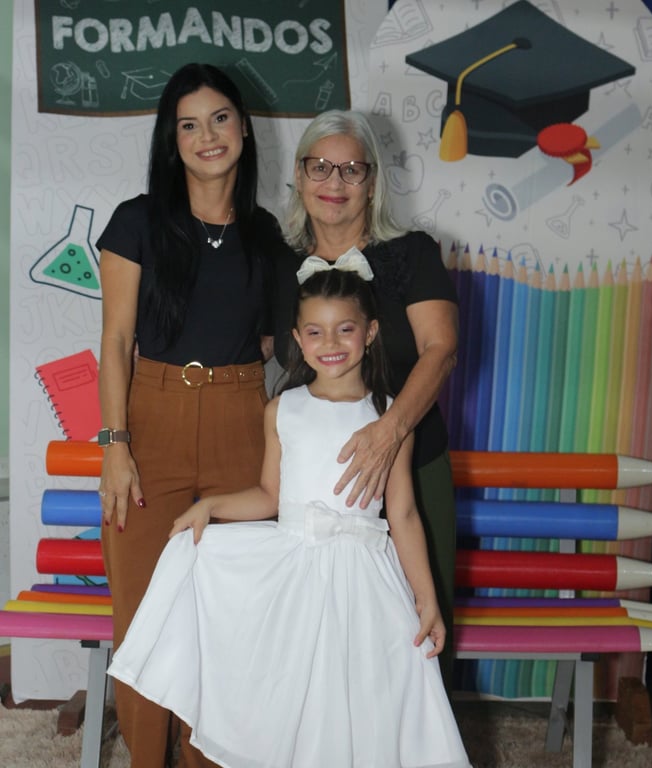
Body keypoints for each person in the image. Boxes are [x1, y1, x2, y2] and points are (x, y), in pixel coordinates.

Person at [107, 263, 471, 768]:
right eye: (315, 332)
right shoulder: (284, 409)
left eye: (345, 329)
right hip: (296, 575)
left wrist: (426, 598)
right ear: (297, 339)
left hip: (367, 581)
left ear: (370, 332)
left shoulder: (390, 419)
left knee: (367, 698)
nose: (331, 343)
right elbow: (269, 496)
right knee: (294, 700)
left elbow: (404, 513)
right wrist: (210, 506)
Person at [97, 63, 288, 768]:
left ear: (244, 128)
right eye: (188, 124)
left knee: (230, 623)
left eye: (219, 118)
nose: (207, 136)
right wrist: (115, 446)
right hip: (151, 426)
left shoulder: (267, 234)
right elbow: (116, 340)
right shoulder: (137, 222)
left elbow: (283, 341)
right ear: (170, 140)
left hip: (242, 427)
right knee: (145, 619)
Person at [272, 109, 459, 688]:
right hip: (311, 494)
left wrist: (389, 432)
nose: (335, 182)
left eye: (351, 169)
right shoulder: (276, 262)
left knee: (416, 640)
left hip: (411, 471)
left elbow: (441, 350)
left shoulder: (413, 254)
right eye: (320, 167)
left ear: (372, 182)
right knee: (313, 655)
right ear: (299, 176)